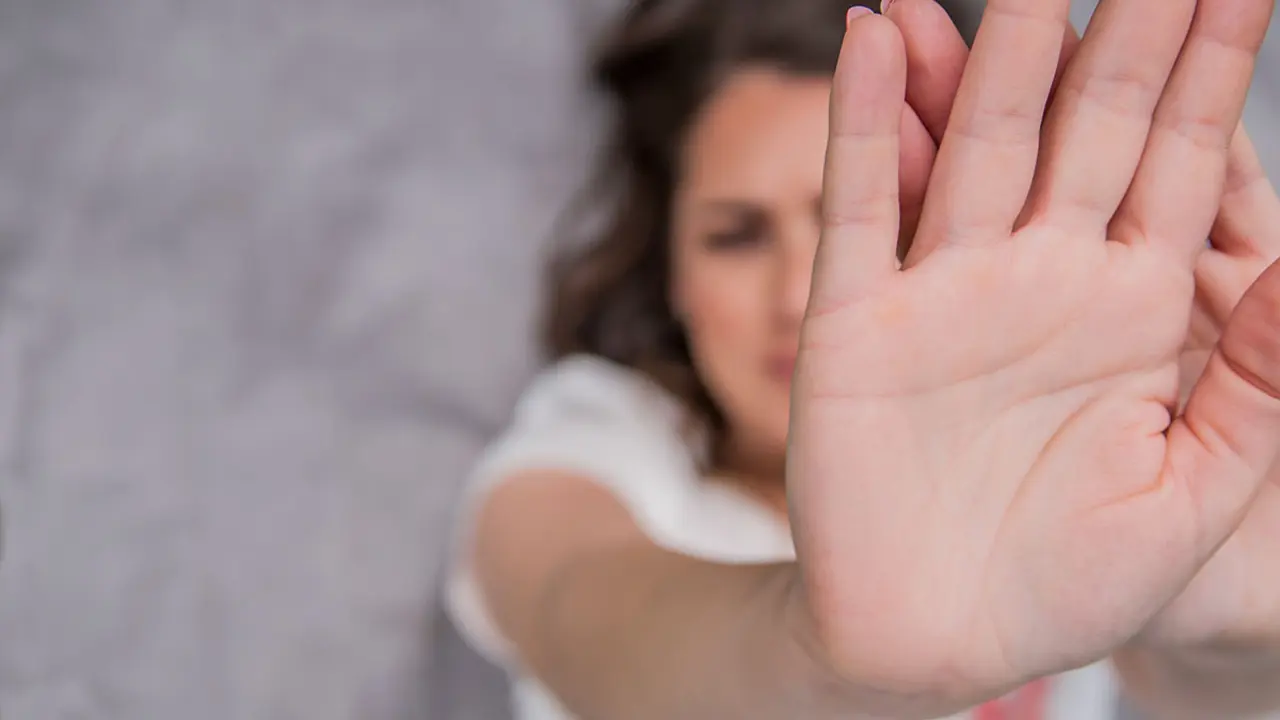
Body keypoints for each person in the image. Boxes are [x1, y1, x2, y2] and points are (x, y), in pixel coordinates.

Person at [446, 0, 1280, 717]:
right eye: (735, 236)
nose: (794, 297)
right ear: (671, 272)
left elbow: (1200, 691)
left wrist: (1228, 611)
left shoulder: (1056, 452)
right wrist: (832, 659)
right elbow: (580, 614)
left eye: (856, 217)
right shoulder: (602, 443)